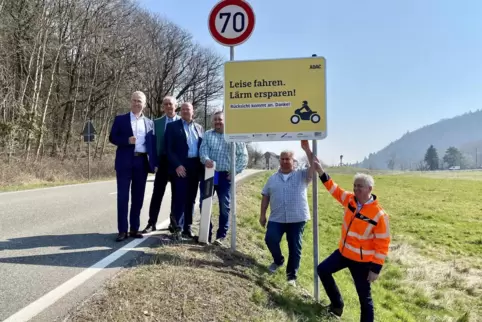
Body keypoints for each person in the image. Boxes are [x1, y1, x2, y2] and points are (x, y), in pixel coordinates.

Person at [312, 155, 391, 321]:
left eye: (360, 187)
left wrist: (375, 269)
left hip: (362, 263)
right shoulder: (350, 200)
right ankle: (337, 305)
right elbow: (334, 189)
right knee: (323, 270)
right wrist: (321, 171)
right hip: (343, 253)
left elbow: (383, 244)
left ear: (370, 188)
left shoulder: (379, 215)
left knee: (364, 298)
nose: (356, 189)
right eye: (355, 186)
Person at [259, 140, 314, 286]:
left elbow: (315, 166)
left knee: (295, 247)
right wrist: (262, 214)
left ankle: (291, 277)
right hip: (277, 218)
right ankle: (278, 261)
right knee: (270, 239)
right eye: (282, 159)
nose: (284, 161)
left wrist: (307, 150)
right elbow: (265, 195)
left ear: (293, 161)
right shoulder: (272, 179)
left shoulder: (302, 176)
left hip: (297, 218)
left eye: (287, 159)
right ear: (279, 160)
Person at [109, 91, 157, 242]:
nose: (137, 103)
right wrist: (126, 140)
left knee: (138, 197)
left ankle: (134, 228)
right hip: (124, 162)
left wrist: (154, 163)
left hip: (141, 162)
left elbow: (152, 145)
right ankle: (122, 230)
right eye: (134, 100)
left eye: (140, 101)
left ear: (144, 104)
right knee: (123, 197)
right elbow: (112, 137)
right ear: (130, 102)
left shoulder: (150, 123)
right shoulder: (120, 119)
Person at [199, 111, 248, 245]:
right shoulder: (208, 134)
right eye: (215, 120)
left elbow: (243, 156)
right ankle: (205, 234)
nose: (217, 122)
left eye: (220, 119)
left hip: (225, 176)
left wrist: (235, 171)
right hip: (210, 174)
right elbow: (203, 150)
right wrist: (206, 159)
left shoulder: (233, 136)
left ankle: (221, 236)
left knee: (224, 206)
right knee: (204, 203)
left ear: (225, 121)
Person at [165, 102, 204, 240]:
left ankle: (188, 227)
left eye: (188, 109)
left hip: (195, 166)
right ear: (180, 111)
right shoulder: (172, 127)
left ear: (193, 111)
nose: (185, 111)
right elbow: (168, 149)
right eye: (183, 109)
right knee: (180, 198)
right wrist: (177, 165)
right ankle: (178, 229)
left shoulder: (199, 128)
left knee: (191, 199)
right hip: (180, 166)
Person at [142, 96, 180, 234]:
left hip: (177, 163)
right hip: (162, 162)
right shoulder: (156, 123)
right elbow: (151, 145)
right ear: (163, 107)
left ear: (176, 105)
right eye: (166, 104)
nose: (168, 106)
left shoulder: (182, 122)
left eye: (171, 104)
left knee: (177, 194)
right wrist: (153, 163)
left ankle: (174, 223)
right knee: (157, 193)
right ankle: (151, 223)